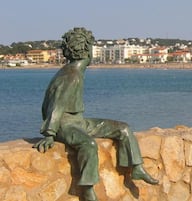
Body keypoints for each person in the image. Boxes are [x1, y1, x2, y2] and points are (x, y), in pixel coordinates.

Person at [32, 27, 158, 201]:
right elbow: (56, 105)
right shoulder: (72, 74)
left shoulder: (75, 71)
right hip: (64, 124)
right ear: (86, 51)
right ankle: (87, 188)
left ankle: (136, 167)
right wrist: (50, 133)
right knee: (89, 144)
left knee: (123, 129)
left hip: (77, 120)